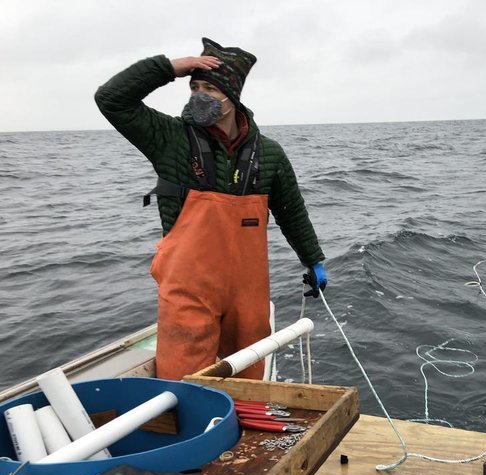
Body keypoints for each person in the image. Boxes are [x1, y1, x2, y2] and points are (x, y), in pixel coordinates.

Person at [96, 38, 327, 380]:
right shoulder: (170, 138)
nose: (199, 95)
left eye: (210, 88)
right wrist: (171, 68)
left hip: (247, 292)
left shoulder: (269, 154)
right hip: (188, 287)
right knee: (183, 377)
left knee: (250, 373)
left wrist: (312, 259)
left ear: (232, 97)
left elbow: (291, 211)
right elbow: (111, 99)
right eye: (195, 87)